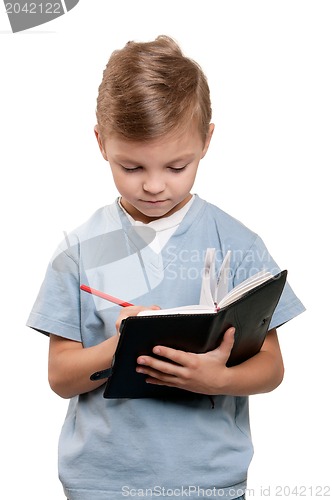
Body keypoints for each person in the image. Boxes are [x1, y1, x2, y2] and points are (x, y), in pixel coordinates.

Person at [27, 35, 305, 500]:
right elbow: (60, 377)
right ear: (101, 143)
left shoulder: (239, 244)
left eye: (177, 166)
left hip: (209, 482)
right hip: (102, 483)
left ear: (207, 141)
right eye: (131, 167)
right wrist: (119, 347)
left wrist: (221, 380)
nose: (155, 186)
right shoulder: (79, 250)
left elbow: (272, 366)